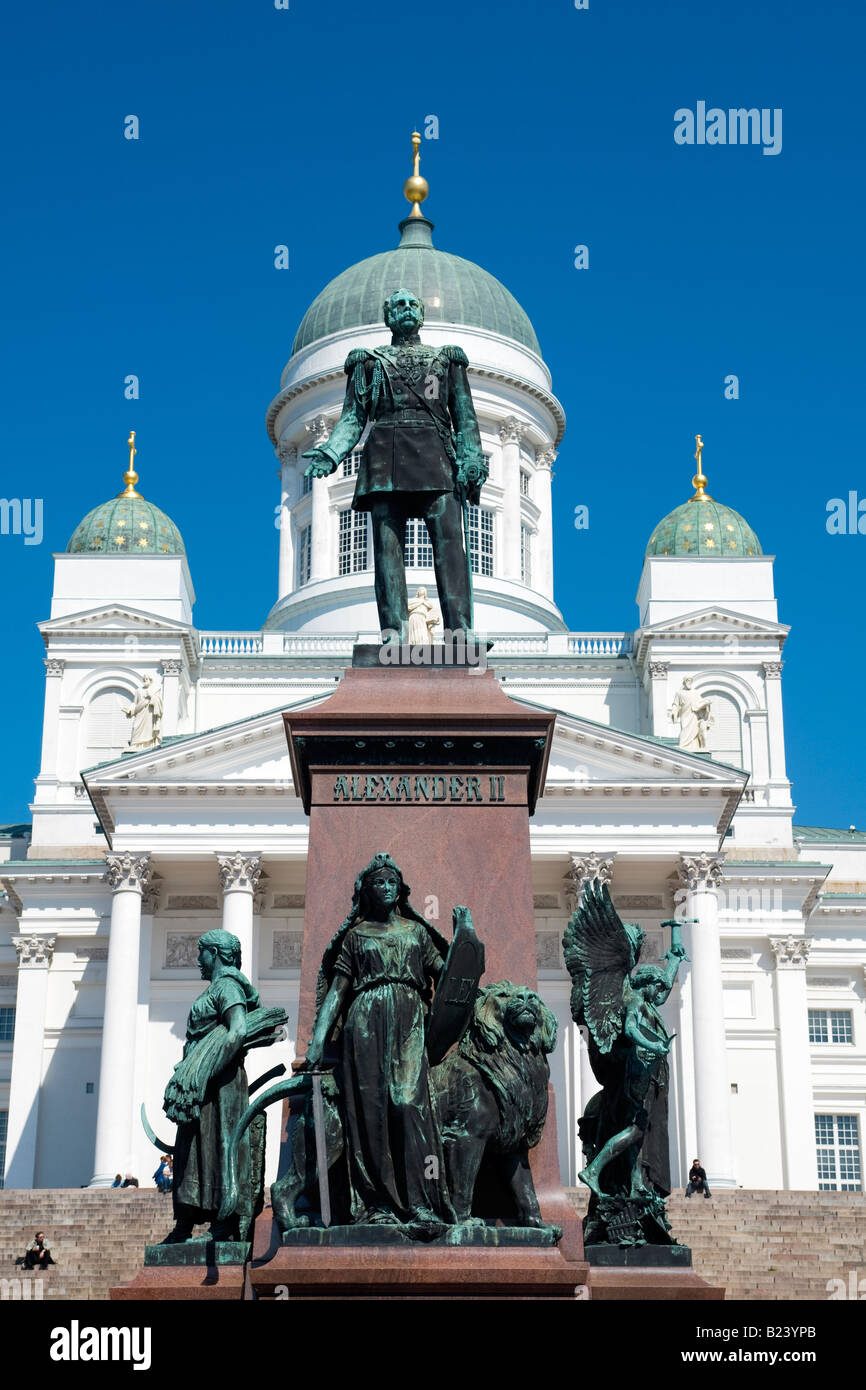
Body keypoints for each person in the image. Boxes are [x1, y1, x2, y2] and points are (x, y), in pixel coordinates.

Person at [302, 290, 487, 641]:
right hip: (385, 452)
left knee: (450, 542)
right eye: (398, 305)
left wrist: (472, 458)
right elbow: (353, 417)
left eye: (412, 305)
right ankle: (394, 630)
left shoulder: (446, 361)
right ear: (388, 317)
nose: (405, 310)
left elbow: (464, 415)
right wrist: (331, 452)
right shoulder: (368, 363)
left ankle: (460, 630)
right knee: (388, 546)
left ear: (421, 315)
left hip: (435, 451)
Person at [306, 852, 455, 1235]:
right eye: (379, 883)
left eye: (392, 882)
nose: (386, 888)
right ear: (367, 892)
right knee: (369, 1114)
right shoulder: (356, 937)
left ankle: (423, 1201)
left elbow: (448, 975)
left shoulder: (416, 932)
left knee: (408, 1105)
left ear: (400, 889)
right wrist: (318, 1038)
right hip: (364, 1021)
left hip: (408, 1019)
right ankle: (378, 1203)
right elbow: (338, 991)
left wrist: (464, 940)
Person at [161, 929, 285, 1243]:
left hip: (220, 1083)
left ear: (215, 953)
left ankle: (223, 1226)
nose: (197, 959)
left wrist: (205, 1068)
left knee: (220, 1147)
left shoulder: (228, 987)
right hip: (203, 1085)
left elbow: (238, 1029)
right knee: (192, 1151)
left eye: (201, 952)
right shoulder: (217, 987)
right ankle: (184, 1225)